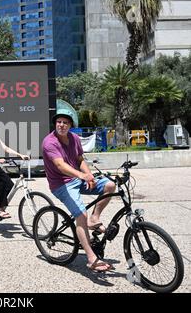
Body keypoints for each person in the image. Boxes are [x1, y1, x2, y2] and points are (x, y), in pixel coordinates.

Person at [42, 109, 116, 272]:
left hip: (77, 178)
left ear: (70, 125)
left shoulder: (74, 138)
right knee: (81, 215)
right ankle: (91, 259)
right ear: (55, 124)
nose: (61, 125)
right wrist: (82, 176)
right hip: (61, 184)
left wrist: (88, 174)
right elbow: (60, 165)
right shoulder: (49, 142)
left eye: (65, 122)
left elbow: (79, 159)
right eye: (59, 122)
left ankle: (94, 218)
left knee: (110, 186)